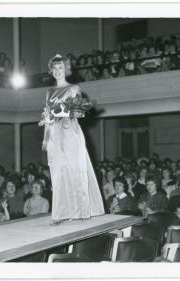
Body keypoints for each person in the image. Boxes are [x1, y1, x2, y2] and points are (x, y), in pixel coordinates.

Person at [38, 54, 105, 225]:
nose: (57, 71)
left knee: (76, 170)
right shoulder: (49, 92)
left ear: (66, 69)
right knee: (57, 172)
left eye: (61, 67)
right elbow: (48, 117)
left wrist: (56, 111)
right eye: (55, 68)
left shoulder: (73, 88)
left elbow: (77, 112)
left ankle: (82, 211)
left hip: (70, 132)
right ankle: (59, 213)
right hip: (55, 134)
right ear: (51, 71)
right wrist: (46, 138)